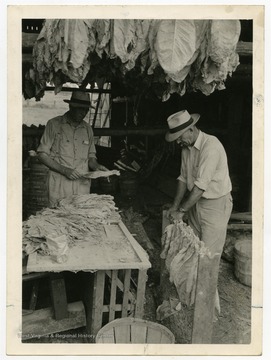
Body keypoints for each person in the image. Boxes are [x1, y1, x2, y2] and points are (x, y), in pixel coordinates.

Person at [165, 110, 233, 313]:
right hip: (197, 203)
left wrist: (183, 210)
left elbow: (201, 187)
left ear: (191, 129)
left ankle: (207, 309)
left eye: (179, 138)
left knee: (208, 257)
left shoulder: (211, 146)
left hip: (215, 204)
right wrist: (176, 207)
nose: (178, 142)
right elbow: (183, 179)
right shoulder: (187, 148)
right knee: (191, 249)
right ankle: (193, 297)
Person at [37, 90, 108, 206]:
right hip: (59, 185)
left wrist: (97, 167)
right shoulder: (54, 124)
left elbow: (91, 157)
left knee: (79, 219)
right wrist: (65, 170)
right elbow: (42, 154)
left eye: (86, 109)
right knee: (58, 219)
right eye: (80, 109)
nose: (83, 113)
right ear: (71, 106)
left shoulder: (87, 129)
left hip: (81, 186)